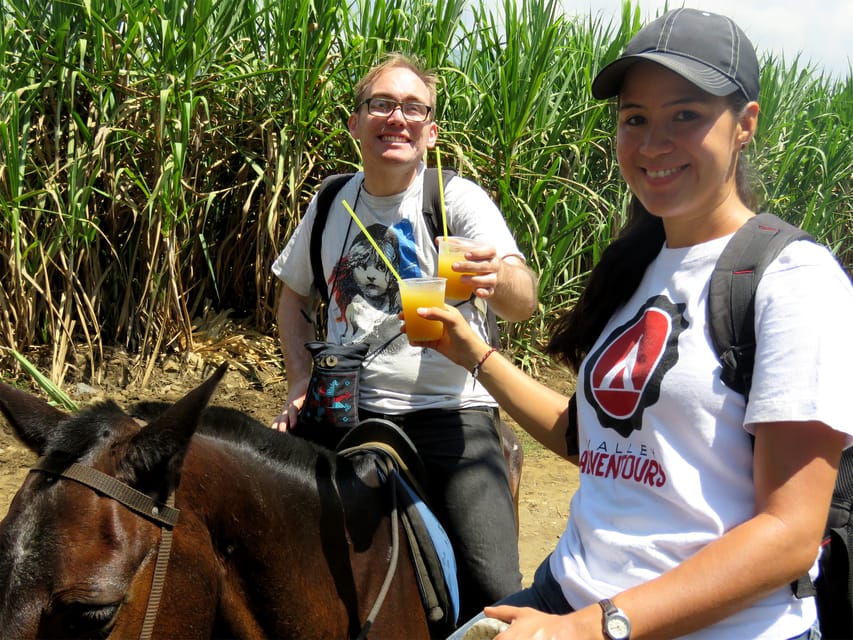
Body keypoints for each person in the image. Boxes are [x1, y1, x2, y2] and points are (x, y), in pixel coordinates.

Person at [415, 9, 853, 640]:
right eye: (635, 119)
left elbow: (789, 534)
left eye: (685, 116)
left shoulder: (792, 281)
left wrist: (596, 626)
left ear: (745, 126)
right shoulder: (639, 263)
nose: (652, 144)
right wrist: (474, 353)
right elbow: (594, 443)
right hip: (568, 590)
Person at [270, 53, 538, 621]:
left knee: (495, 588)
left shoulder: (454, 199)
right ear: (355, 123)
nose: (398, 117)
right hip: (344, 404)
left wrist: (497, 277)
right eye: (382, 104)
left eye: (414, 107)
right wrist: (298, 381)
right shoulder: (329, 203)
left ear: (431, 131)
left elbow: (523, 299)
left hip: (447, 410)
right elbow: (293, 296)